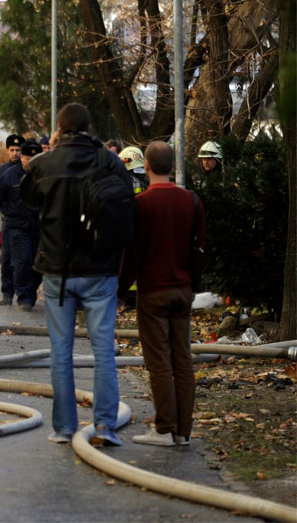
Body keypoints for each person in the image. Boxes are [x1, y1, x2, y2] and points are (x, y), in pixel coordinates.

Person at [20, 103, 133, 447]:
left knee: (61, 352)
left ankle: (64, 428)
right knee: (103, 353)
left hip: (57, 270)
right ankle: (104, 427)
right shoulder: (109, 162)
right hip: (100, 268)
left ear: (59, 128)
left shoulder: (43, 163)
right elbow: (125, 201)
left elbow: (28, 199)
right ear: (88, 127)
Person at [119, 142, 204, 446]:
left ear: (148, 167)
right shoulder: (191, 201)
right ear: (172, 167)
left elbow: (133, 254)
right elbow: (199, 247)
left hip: (153, 291)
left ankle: (164, 428)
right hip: (182, 290)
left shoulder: (141, 204)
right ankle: (183, 431)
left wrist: (120, 289)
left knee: (158, 362)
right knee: (183, 360)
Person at [0, 140, 43, 311]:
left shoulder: (45, 176)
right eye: (27, 157)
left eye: (35, 157)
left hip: (38, 227)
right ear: (22, 158)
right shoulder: (9, 175)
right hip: (17, 227)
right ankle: (23, 296)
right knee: (22, 261)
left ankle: (30, 293)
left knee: (38, 265)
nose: (30, 161)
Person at [0, 134, 24, 305]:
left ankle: (24, 293)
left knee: (24, 260)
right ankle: (7, 294)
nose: (15, 153)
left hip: (26, 222)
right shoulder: (2, 171)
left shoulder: (29, 169)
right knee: (7, 259)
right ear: (7, 151)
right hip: (8, 220)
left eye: (18, 150)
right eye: (12, 150)